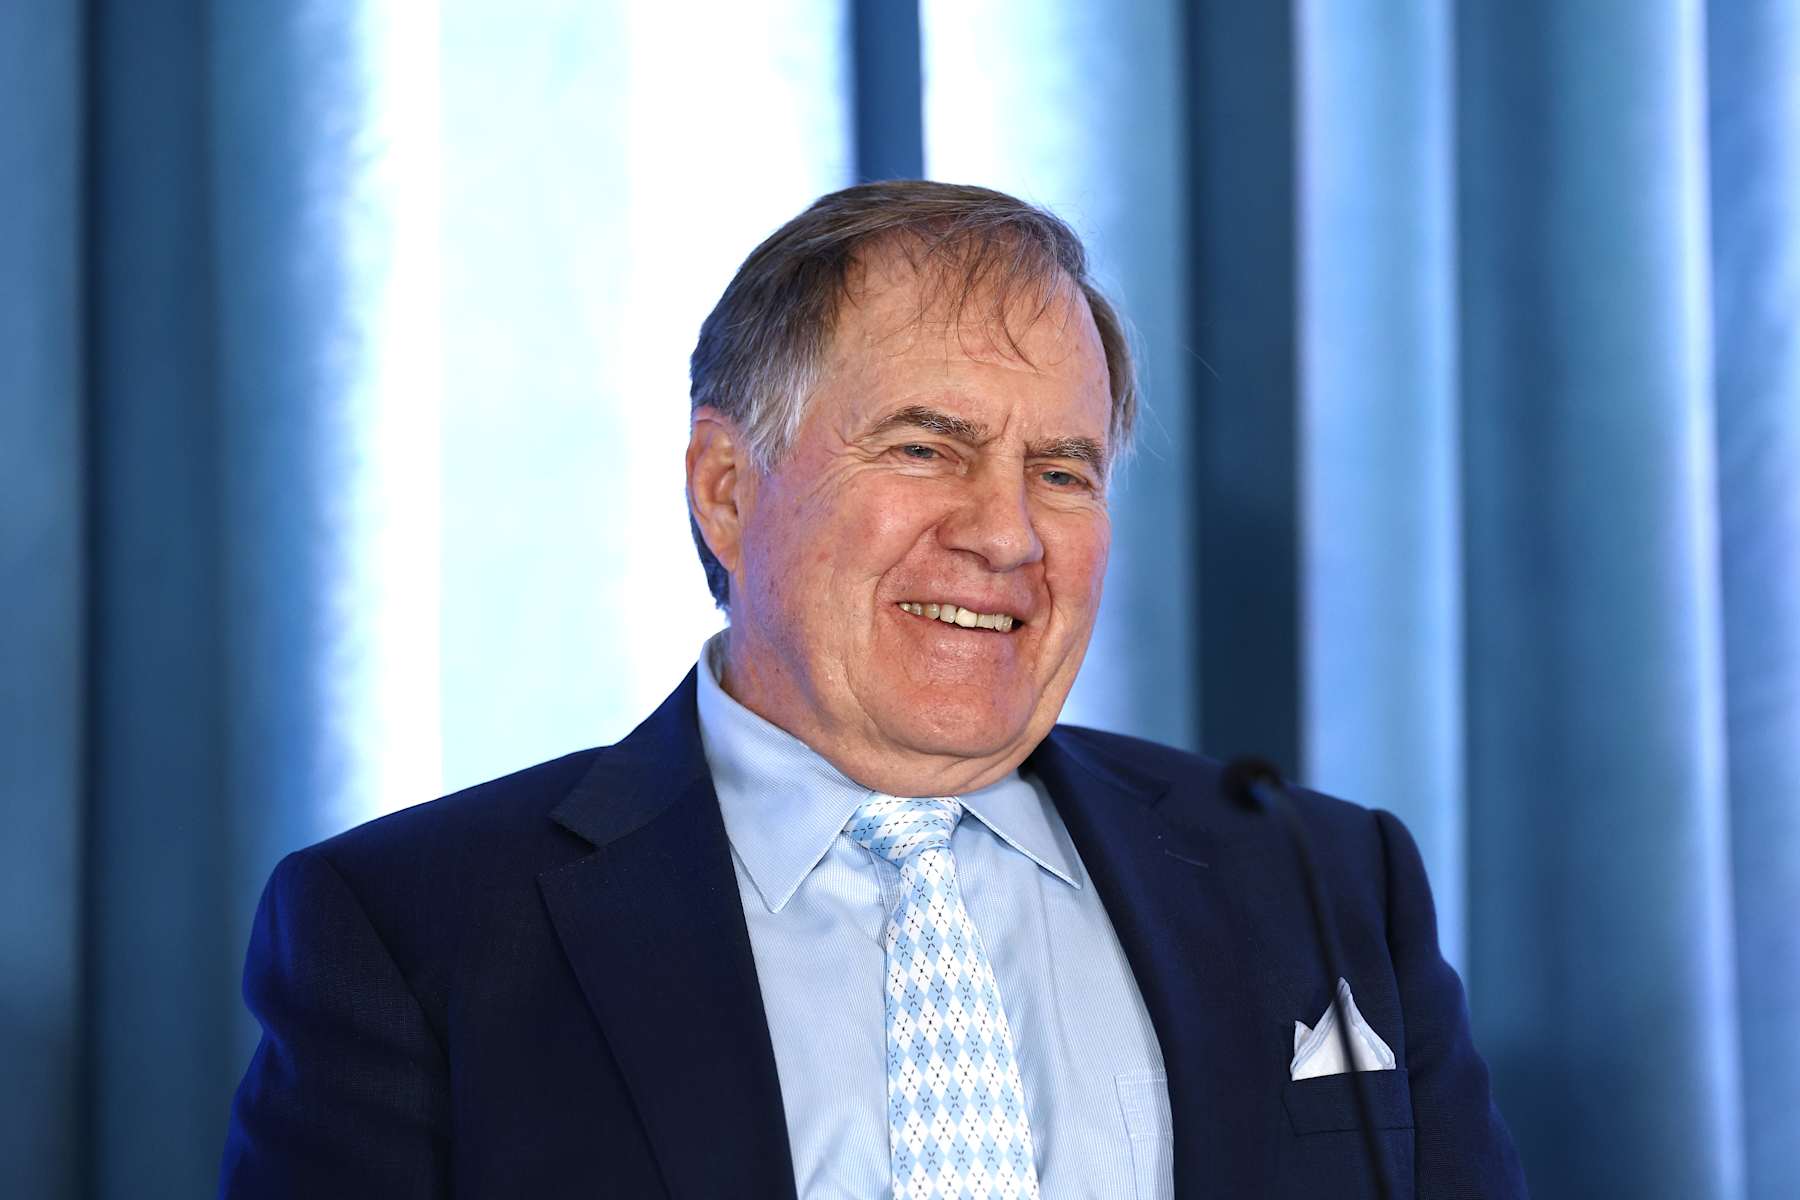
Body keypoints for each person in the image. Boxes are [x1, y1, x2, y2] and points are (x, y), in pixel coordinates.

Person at [219, 181, 1526, 1199]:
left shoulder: (1326, 884)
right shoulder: (415, 936)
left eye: (1063, 472)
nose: (1006, 532)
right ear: (727, 491)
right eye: (926, 447)